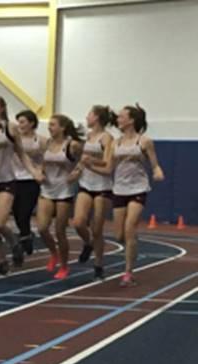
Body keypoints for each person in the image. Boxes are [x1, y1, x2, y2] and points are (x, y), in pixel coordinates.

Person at [84, 104, 164, 287]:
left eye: (121, 117)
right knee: (120, 235)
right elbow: (109, 168)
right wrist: (90, 166)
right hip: (119, 189)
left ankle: (128, 272)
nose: (117, 120)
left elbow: (154, 164)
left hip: (138, 189)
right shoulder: (116, 142)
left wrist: (157, 172)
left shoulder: (144, 141)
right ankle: (132, 244)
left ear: (131, 120)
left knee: (130, 228)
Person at [0, 95, 43, 274]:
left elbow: (22, 154)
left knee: (0, 223)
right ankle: (2, 260)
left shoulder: (10, 128)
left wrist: (34, 171)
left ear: (1, 108)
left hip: (7, 179)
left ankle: (15, 243)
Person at [37, 114, 84, 280]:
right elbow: (42, 162)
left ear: (63, 128)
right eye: (49, 125)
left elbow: (85, 159)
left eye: (53, 125)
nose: (50, 127)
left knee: (59, 230)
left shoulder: (72, 145)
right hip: (47, 189)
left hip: (64, 191)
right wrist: (40, 173)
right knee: (42, 228)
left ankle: (64, 266)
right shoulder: (46, 143)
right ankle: (53, 253)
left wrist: (77, 173)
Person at [72, 105, 115, 279]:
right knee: (78, 222)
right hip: (85, 184)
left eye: (89, 114)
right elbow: (82, 161)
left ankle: (98, 264)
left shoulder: (107, 138)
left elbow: (107, 164)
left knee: (97, 229)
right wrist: (77, 170)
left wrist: (91, 162)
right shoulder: (88, 137)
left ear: (97, 118)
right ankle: (88, 243)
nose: (87, 117)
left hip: (102, 187)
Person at [12, 110, 47, 255]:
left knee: (25, 211)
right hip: (14, 177)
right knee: (15, 211)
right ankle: (26, 234)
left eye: (23, 122)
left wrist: (40, 171)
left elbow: (47, 158)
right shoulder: (14, 139)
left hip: (31, 179)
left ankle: (25, 235)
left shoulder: (41, 140)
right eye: (18, 122)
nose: (20, 125)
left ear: (31, 123)